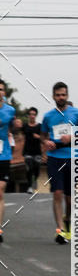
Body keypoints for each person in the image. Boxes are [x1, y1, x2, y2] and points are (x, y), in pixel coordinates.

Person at [40, 82, 78, 244]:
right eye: (58, 95)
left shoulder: (77, 113)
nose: (61, 97)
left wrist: (72, 138)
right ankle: (60, 231)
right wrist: (46, 143)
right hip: (55, 158)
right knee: (57, 193)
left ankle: (68, 224)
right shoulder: (48, 116)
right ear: (53, 96)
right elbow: (43, 135)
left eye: (63, 95)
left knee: (69, 198)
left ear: (67, 96)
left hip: (73, 156)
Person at [0, 79, 16, 243]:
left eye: (2, 89)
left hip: (3, 154)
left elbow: (14, 126)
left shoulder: (10, 110)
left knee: (0, 190)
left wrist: (16, 126)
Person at [23, 107, 42, 193]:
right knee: (29, 168)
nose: (32, 116)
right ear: (28, 116)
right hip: (27, 151)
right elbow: (19, 134)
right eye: (30, 114)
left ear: (36, 116)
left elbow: (45, 137)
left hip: (37, 151)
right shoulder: (25, 126)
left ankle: (34, 181)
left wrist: (38, 137)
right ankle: (29, 186)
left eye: (34, 114)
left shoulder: (39, 126)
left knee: (36, 169)